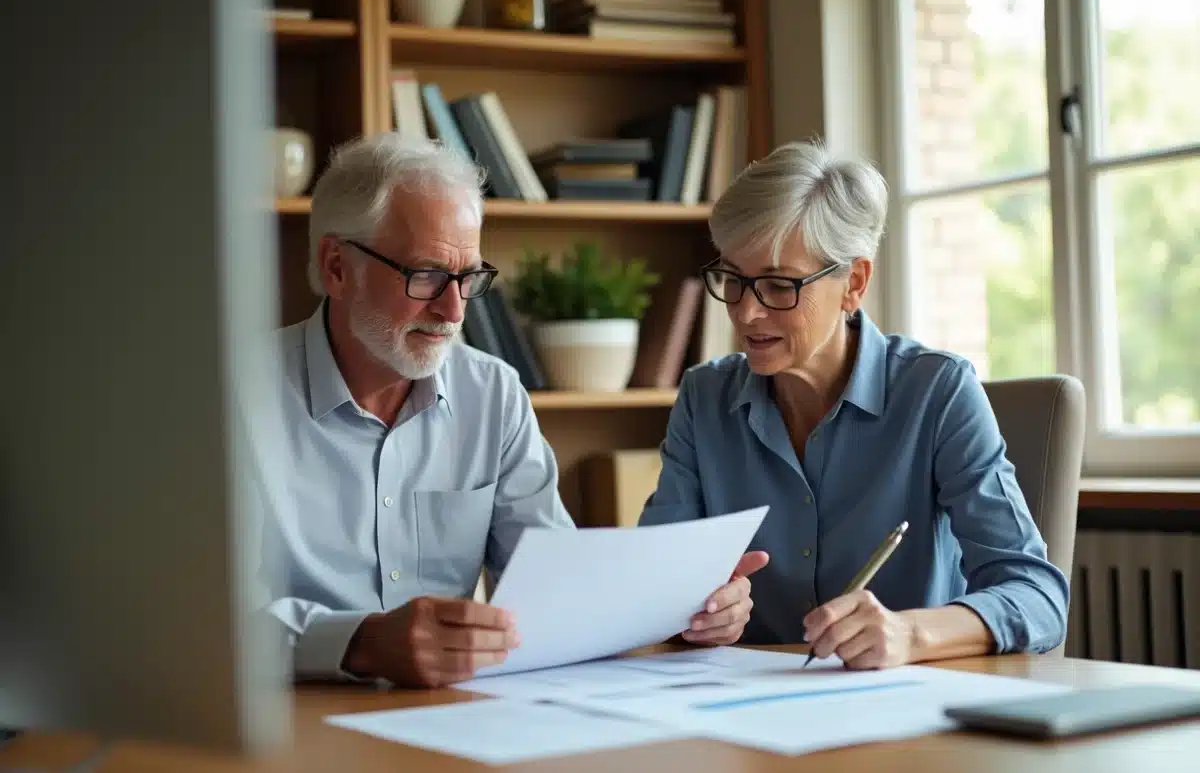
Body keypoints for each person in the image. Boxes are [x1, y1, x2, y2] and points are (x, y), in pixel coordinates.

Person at [249, 133, 761, 689]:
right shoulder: (227, 401)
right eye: (425, 275)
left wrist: (685, 615)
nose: (452, 309)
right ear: (336, 267)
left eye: (469, 278)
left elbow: (559, 594)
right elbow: (201, 619)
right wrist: (361, 643)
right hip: (279, 723)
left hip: (456, 721)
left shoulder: (492, 393)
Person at [638, 141, 1070, 670]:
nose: (747, 312)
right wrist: (699, 616)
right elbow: (653, 588)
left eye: (778, 285)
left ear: (854, 284)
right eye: (733, 279)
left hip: (913, 711)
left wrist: (911, 633)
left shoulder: (938, 392)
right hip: (751, 712)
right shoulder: (704, 399)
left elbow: (1038, 597)